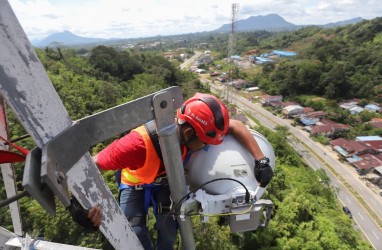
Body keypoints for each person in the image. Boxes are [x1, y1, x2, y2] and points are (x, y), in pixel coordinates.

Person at [83, 93, 273, 249]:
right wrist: (82, 208)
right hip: (135, 183)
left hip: (167, 181)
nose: (207, 146)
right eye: (205, 142)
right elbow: (89, 165)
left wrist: (260, 160)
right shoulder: (137, 145)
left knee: (168, 231)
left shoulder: (190, 130)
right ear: (189, 134)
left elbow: (236, 126)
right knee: (134, 232)